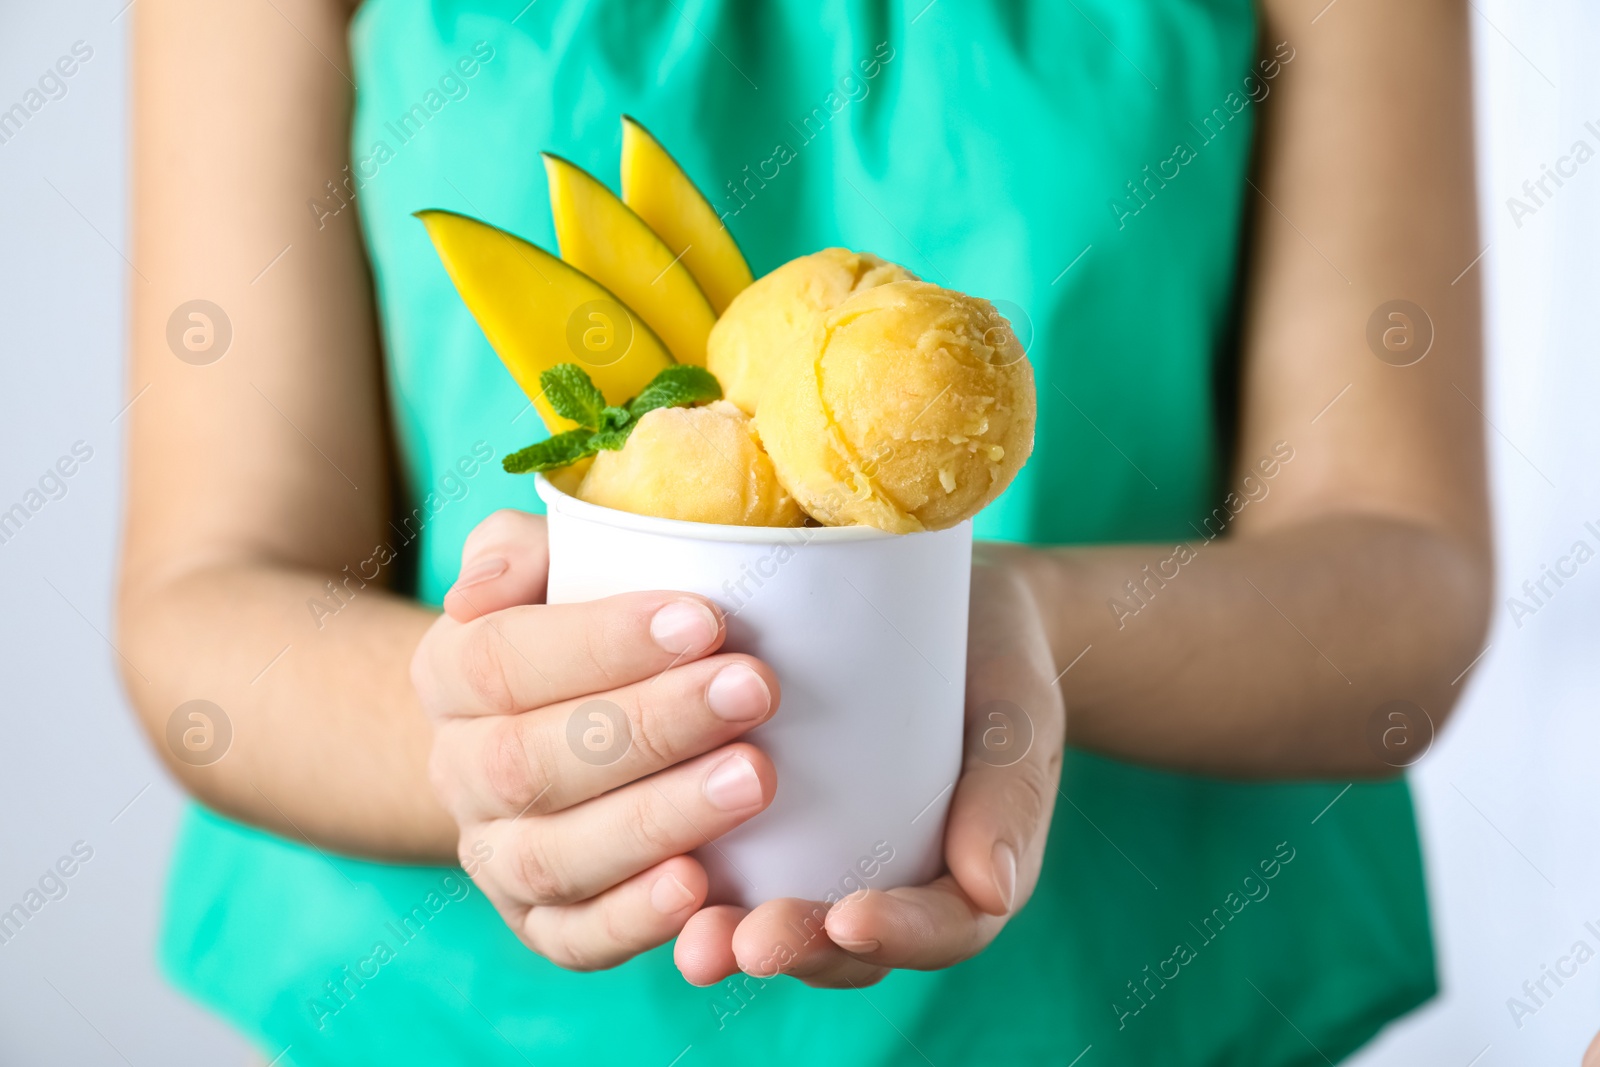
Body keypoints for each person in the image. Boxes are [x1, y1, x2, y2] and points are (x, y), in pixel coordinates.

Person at [119, 1, 1489, 1063]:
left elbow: (1399, 578)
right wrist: (497, 751)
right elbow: (204, 599)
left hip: (1134, 1013)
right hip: (439, 1028)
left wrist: (1019, 617)